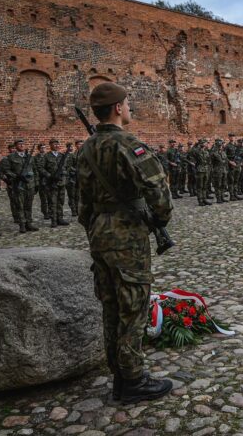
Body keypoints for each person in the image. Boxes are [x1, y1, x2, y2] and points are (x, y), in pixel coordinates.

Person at [77, 82, 173, 404]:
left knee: (111, 306)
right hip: (127, 234)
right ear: (118, 108)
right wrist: (158, 220)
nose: (129, 109)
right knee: (133, 305)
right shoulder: (130, 144)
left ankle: (119, 375)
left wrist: (96, 226)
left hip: (99, 232)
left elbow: (82, 201)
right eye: (128, 104)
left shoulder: (86, 148)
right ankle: (133, 380)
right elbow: (158, 191)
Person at [2, 139, 39, 233]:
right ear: (16, 146)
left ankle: (29, 223)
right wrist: (16, 176)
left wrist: (36, 184)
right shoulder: (10, 157)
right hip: (18, 185)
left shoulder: (30, 157)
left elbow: (35, 170)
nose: (22, 145)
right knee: (19, 205)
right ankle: (22, 224)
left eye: (23, 144)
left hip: (29, 184)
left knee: (28, 205)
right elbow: (6, 170)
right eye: (19, 144)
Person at [43, 139, 70, 227]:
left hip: (61, 182)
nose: (56, 146)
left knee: (60, 201)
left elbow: (67, 167)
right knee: (53, 202)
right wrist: (49, 175)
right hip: (52, 183)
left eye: (57, 144)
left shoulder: (62, 156)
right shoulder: (46, 156)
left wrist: (64, 174)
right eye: (54, 144)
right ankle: (54, 220)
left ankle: (60, 218)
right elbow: (40, 168)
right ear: (50, 145)